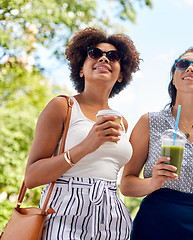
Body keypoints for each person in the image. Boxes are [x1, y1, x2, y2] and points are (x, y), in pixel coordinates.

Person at [24, 27, 140, 240]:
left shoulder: (121, 121)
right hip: (64, 214)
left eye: (113, 56)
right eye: (95, 53)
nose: (104, 59)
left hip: (113, 218)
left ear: (121, 74)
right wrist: (87, 145)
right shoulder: (62, 107)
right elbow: (31, 177)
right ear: (81, 69)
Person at [120, 47, 193, 239]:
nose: (190, 69)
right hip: (154, 225)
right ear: (174, 78)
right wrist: (154, 182)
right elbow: (126, 185)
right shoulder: (148, 122)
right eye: (183, 64)